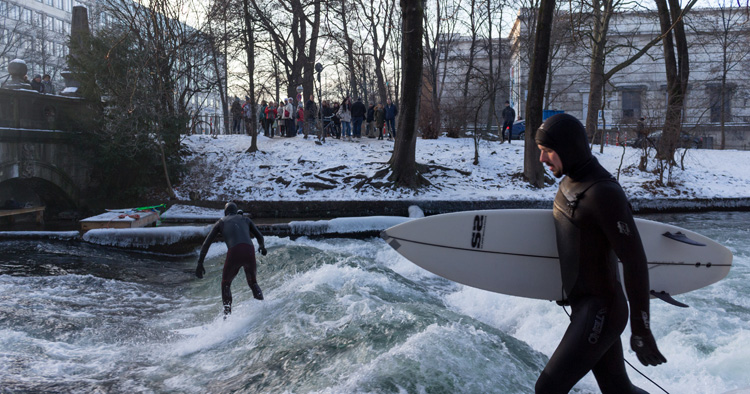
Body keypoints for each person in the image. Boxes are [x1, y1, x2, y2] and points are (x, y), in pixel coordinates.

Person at [534, 113, 666, 394]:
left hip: (601, 309)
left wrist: (641, 329)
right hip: (584, 304)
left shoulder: (603, 193)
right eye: (540, 151)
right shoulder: (571, 180)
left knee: (548, 388)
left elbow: (634, 260)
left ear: (568, 149)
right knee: (619, 389)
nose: (543, 159)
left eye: (547, 151)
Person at [195, 202, 268, 316]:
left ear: (225, 212)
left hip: (235, 251)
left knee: (226, 284)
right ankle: (262, 307)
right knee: (253, 282)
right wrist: (262, 247)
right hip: (249, 250)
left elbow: (206, 244)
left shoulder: (221, 222)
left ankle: (227, 315)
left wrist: (200, 263)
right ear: (236, 210)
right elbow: (260, 236)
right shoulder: (245, 219)